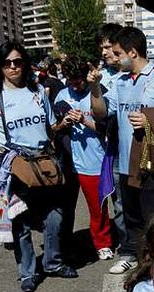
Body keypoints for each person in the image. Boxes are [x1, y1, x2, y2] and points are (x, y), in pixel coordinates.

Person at [0, 41, 78, 292]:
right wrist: (1, 157)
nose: (13, 67)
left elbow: (50, 126)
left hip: (44, 162)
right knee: (21, 224)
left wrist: (62, 125)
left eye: (17, 61)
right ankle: (27, 272)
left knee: (55, 216)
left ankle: (53, 263)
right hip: (13, 167)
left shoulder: (37, 92)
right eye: (7, 63)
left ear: (24, 63)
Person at [89, 27, 154, 275]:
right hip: (126, 162)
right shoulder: (118, 82)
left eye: (118, 53)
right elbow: (100, 113)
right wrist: (95, 89)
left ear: (133, 52)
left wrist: (151, 119)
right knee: (131, 217)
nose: (114, 57)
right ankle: (136, 257)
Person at [54, 56, 113, 260]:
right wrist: (64, 123)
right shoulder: (62, 94)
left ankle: (102, 242)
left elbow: (106, 128)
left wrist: (83, 120)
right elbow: (54, 129)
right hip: (70, 161)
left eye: (78, 80)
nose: (74, 84)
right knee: (65, 207)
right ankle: (64, 242)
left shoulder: (97, 93)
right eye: (70, 80)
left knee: (98, 206)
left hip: (95, 159)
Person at [94, 23, 129, 263]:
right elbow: (101, 114)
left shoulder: (139, 71)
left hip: (144, 147)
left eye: (109, 47)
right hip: (116, 148)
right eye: (102, 48)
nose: (105, 53)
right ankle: (129, 249)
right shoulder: (102, 77)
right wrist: (94, 87)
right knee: (121, 205)